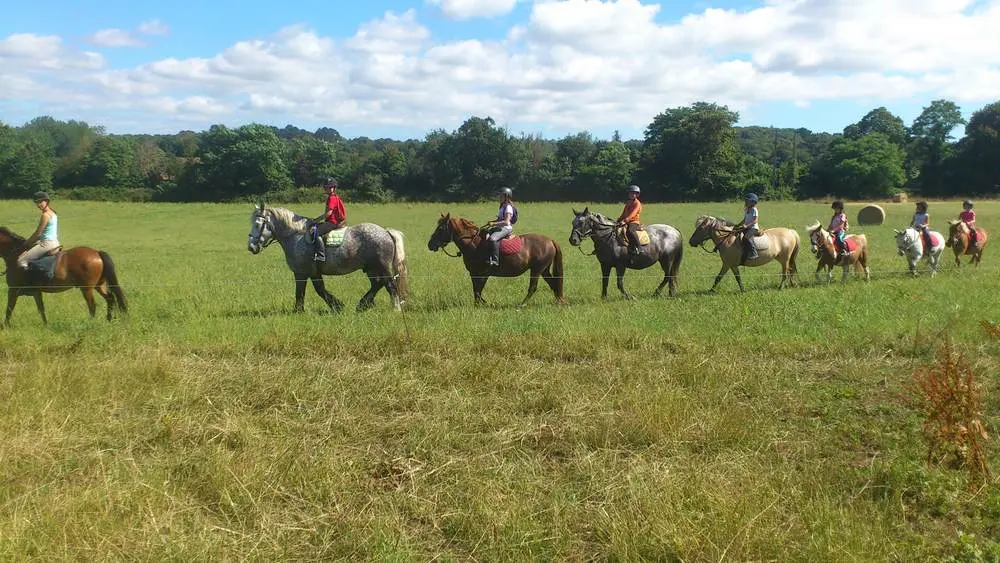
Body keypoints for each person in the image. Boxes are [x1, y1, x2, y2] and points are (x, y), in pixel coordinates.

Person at [17, 191, 61, 270]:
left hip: (46, 244)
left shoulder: (45, 215)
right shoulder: (53, 213)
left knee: (21, 260)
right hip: (55, 243)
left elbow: (38, 233)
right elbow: (42, 234)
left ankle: (30, 281)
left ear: (47, 201)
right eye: (37, 203)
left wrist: (27, 242)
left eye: (41, 202)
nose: (38, 205)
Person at [312, 178, 346, 263]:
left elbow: (329, 213)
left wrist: (316, 220)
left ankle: (321, 255)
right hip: (331, 221)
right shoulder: (334, 197)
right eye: (327, 187)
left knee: (315, 233)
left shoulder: (332, 198)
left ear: (334, 188)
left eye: (330, 187)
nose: (328, 189)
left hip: (332, 222)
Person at [485, 187, 517, 266]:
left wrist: (494, 224)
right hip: (500, 227)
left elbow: (506, 222)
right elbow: (499, 220)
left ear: (506, 197)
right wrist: (492, 222)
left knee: (493, 239)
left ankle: (495, 260)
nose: (499, 197)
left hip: (506, 228)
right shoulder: (502, 207)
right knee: (484, 234)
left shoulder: (508, 207)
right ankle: (487, 256)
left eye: (501, 195)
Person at [616, 185, 643, 256]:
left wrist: (625, 221)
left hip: (634, 222)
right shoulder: (628, 202)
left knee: (630, 231)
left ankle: (639, 247)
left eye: (634, 193)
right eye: (631, 193)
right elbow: (624, 212)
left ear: (637, 194)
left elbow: (633, 214)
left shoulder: (637, 203)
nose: (632, 195)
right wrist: (619, 219)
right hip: (626, 220)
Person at [735, 193, 760, 263]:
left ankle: (754, 253)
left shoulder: (754, 210)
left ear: (753, 202)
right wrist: (738, 225)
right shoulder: (746, 210)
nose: (745, 202)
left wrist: (747, 226)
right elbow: (744, 219)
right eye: (746, 200)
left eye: (747, 201)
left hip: (753, 228)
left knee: (746, 238)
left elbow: (755, 220)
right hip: (747, 227)